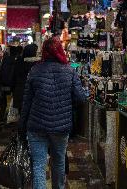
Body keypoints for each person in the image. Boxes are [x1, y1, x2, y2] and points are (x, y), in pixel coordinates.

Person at [18, 36, 87, 189]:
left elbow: (27, 101)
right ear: (60, 51)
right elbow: (81, 99)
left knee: (38, 165)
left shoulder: (35, 70)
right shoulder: (70, 71)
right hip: (61, 127)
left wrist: (22, 125)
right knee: (59, 161)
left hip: (36, 126)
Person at [13, 44, 39, 112]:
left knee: (22, 115)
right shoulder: (35, 64)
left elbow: (14, 77)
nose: (37, 54)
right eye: (36, 52)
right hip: (28, 94)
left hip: (20, 93)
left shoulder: (19, 61)